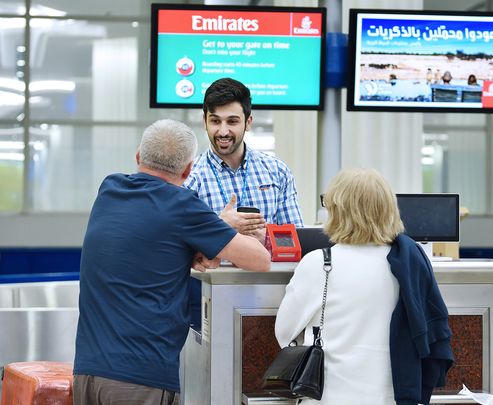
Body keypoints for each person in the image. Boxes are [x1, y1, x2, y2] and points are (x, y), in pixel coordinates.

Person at [73, 119, 270, 404]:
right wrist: (218, 230)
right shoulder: (183, 205)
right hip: (139, 381)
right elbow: (260, 260)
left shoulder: (110, 190)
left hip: (88, 375)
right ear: (188, 170)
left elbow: (144, 242)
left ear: (138, 156)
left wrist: (190, 251)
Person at [274, 168, 453, 405]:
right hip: (391, 397)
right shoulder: (406, 263)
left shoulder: (319, 263)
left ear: (339, 210)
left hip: (329, 397)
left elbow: (284, 333)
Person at [184, 77, 304, 327]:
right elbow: (176, 246)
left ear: (248, 122)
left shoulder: (277, 171)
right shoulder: (188, 176)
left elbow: (296, 242)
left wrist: (266, 239)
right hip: (210, 298)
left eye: (232, 121)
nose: (223, 131)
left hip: (273, 299)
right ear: (204, 119)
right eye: (215, 121)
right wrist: (220, 225)